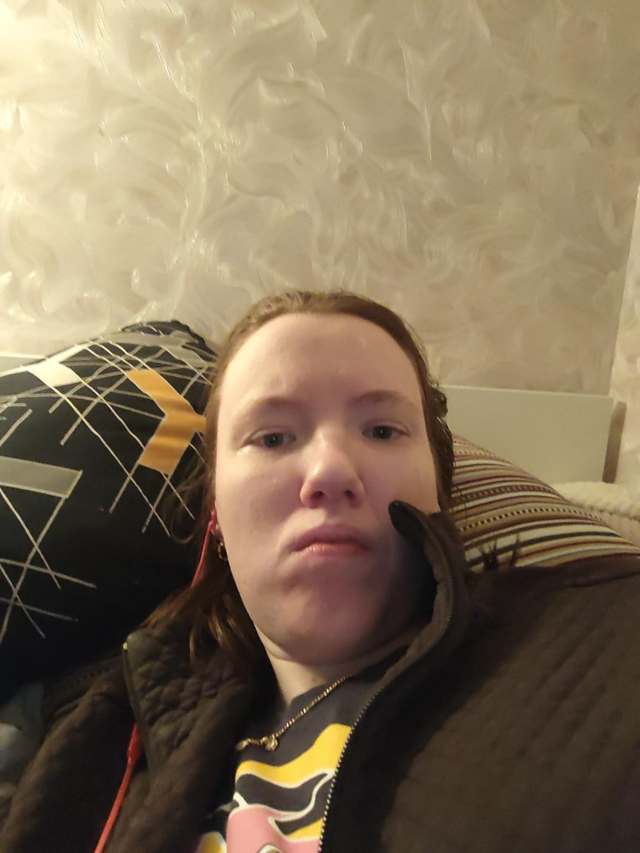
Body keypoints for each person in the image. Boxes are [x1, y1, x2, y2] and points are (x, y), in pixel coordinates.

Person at [3, 289, 640, 853]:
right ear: (215, 513)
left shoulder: (605, 633)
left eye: (382, 430)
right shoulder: (104, 732)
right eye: (273, 438)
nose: (331, 470)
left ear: (439, 492)